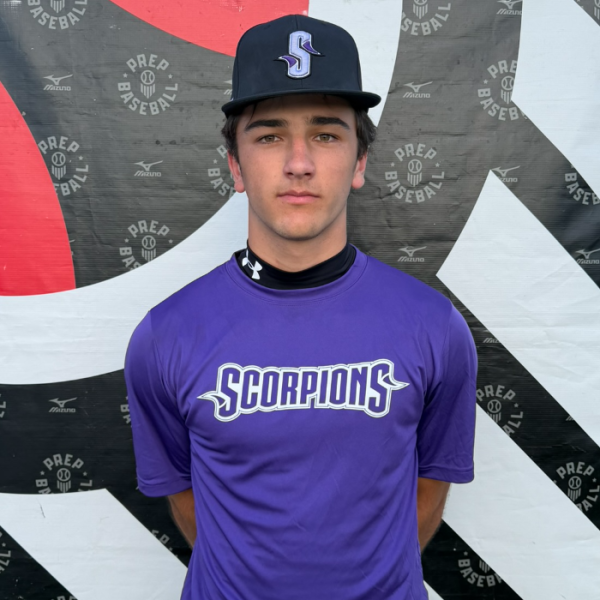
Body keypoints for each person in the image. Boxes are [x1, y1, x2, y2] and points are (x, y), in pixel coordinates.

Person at [125, 14, 477, 600]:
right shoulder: (165, 335)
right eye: (268, 136)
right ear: (235, 165)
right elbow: (188, 502)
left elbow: (427, 494)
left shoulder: (434, 327)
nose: (298, 163)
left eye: (326, 135)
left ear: (359, 162)